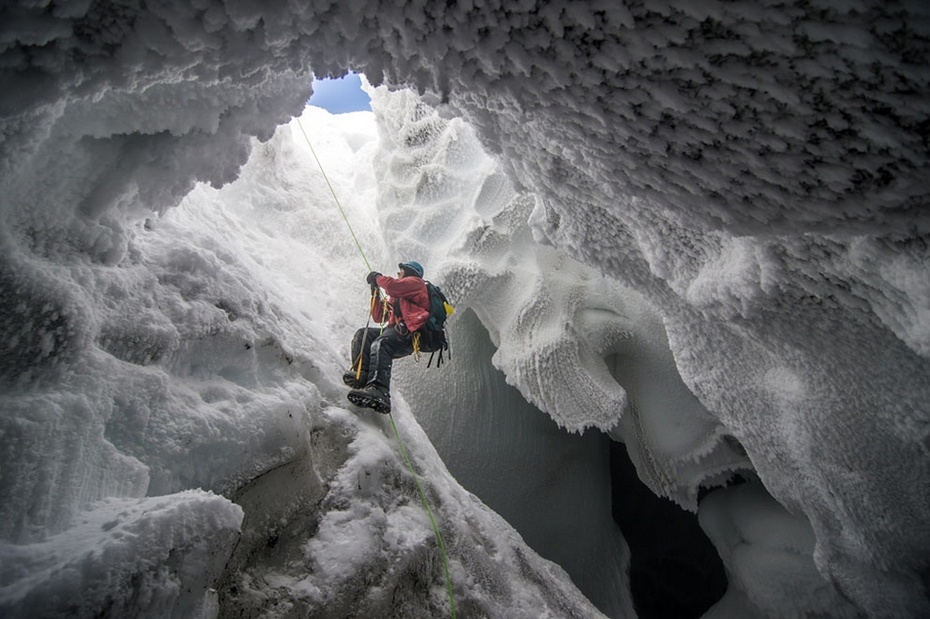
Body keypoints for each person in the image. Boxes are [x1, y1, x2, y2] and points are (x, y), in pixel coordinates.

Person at [344, 260, 430, 414]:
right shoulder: (399, 297)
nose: (398, 273)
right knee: (363, 335)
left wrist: (378, 277)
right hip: (397, 331)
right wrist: (375, 293)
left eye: (401, 270)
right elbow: (379, 316)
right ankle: (362, 375)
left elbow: (392, 286)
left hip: (409, 333)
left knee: (382, 342)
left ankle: (380, 391)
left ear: (410, 272)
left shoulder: (417, 284)